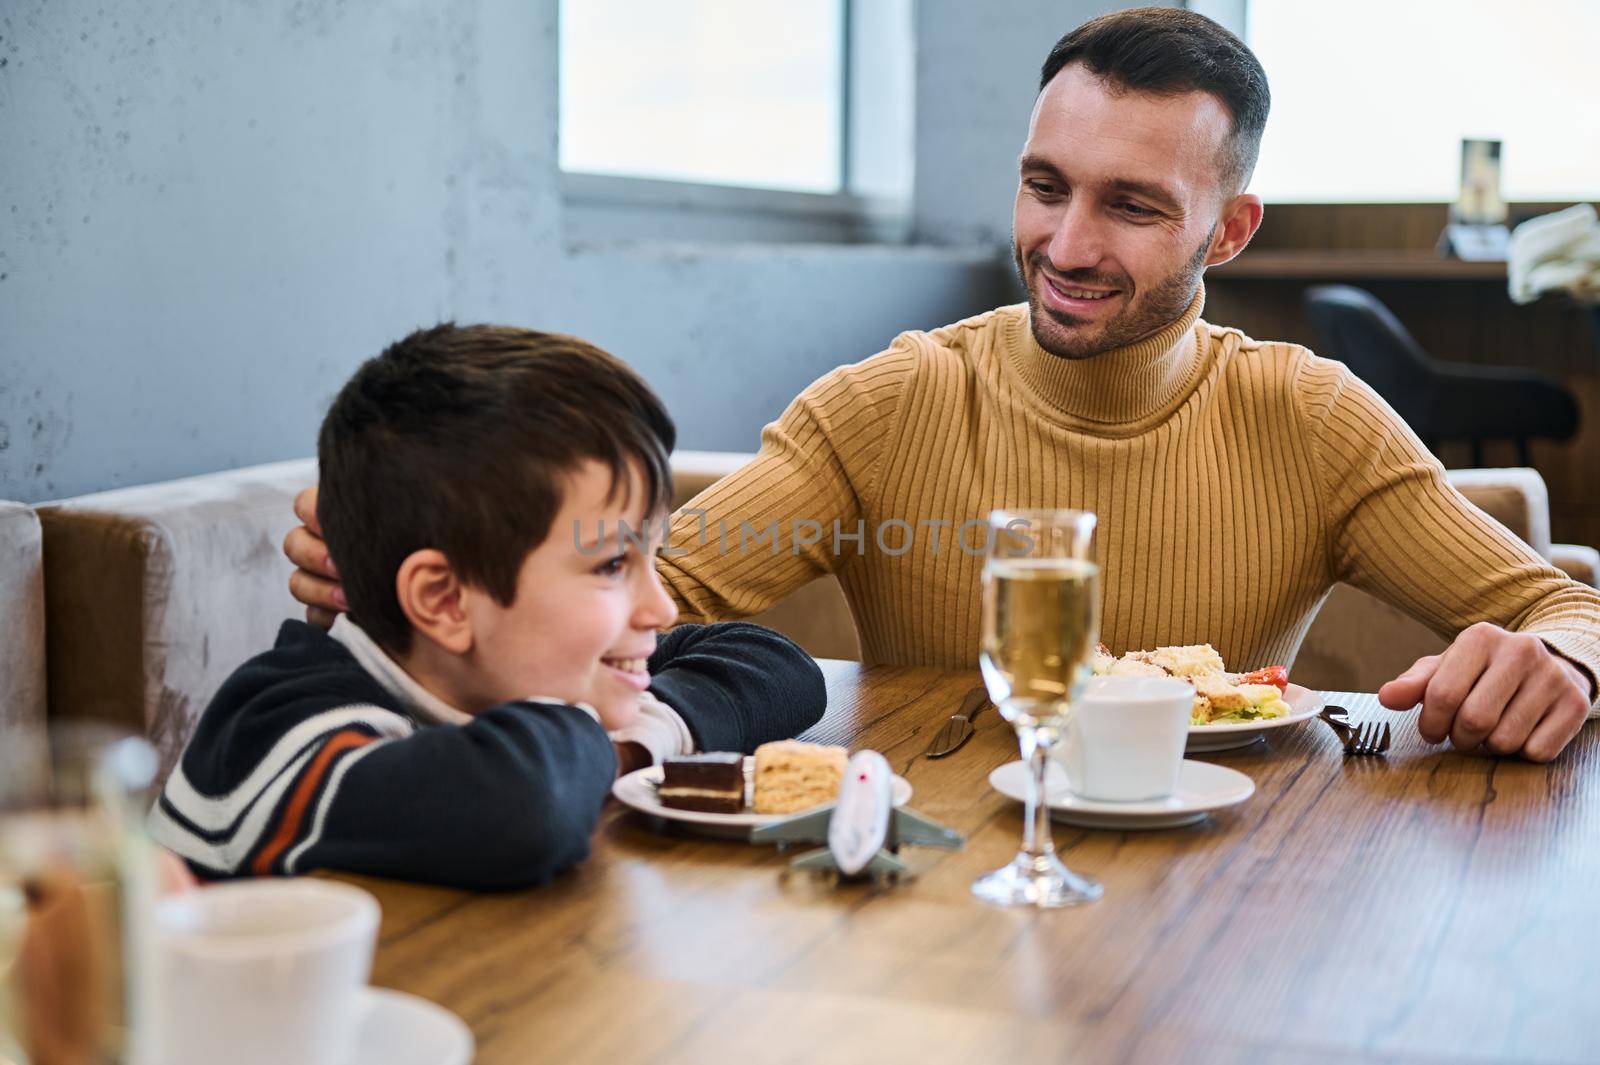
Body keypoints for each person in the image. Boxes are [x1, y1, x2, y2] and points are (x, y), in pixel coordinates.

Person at [284, 8, 1598, 762]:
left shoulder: (1308, 417)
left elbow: (1567, 605)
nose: (1069, 246)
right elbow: (644, 606)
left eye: (1132, 206)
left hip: (1235, 892)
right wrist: (447, 559)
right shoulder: (889, 403)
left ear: (1231, 229)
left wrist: (1557, 662)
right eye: (1045, 186)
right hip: (928, 883)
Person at [152, 325, 825, 889]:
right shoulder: (275, 731)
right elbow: (523, 802)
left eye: (654, 554)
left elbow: (777, 669)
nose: (662, 604)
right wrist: (611, 739)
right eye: (614, 564)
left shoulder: (494, 670)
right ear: (445, 599)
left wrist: (632, 733)